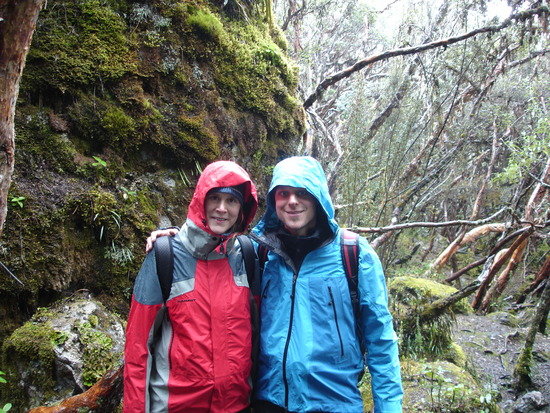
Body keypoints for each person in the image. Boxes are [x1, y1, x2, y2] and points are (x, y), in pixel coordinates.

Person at [147, 156, 403, 412]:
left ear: (318, 197)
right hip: (267, 400)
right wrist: (177, 239)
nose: (292, 201)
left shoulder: (353, 254)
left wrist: (388, 407)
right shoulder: (259, 252)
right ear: (274, 202)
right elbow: (214, 252)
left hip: (334, 402)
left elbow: (380, 339)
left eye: (302, 193)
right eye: (283, 193)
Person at [124, 160, 258, 413]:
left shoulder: (248, 255)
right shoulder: (165, 255)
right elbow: (138, 347)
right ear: (200, 201)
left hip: (235, 405)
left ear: (242, 209)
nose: (222, 208)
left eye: (231, 201)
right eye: (214, 198)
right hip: (177, 406)